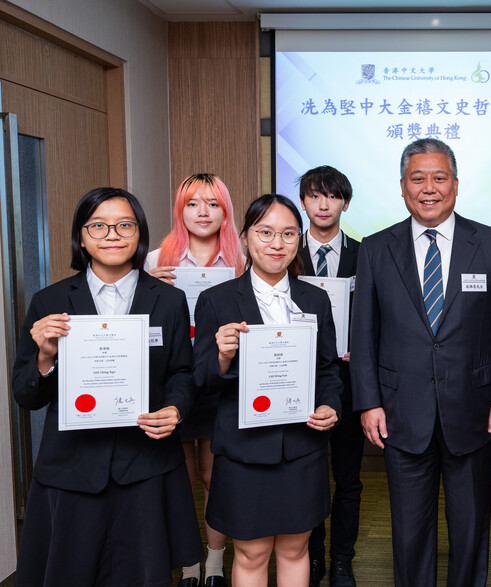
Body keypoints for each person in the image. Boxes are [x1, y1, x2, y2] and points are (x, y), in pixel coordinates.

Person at [350, 138, 491, 587]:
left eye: (439, 177)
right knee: (409, 533)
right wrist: (368, 403)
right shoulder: (375, 248)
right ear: (403, 187)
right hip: (400, 413)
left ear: (456, 184)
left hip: (475, 410)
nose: (429, 188)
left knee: (470, 532)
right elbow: (363, 335)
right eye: (418, 178)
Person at [12, 187, 203, 585]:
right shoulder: (49, 301)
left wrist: (176, 409)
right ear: (81, 237)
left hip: (146, 467)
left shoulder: (168, 300)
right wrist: (45, 357)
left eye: (124, 225)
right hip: (72, 470)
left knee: (146, 575)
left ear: (139, 234)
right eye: (98, 225)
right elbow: (26, 394)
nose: (112, 234)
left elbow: (182, 373)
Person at [192, 194, 343, 586]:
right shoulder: (216, 301)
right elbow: (201, 380)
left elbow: (328, 368)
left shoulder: (316, 299)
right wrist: (223, 357)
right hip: (244, 451)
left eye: (288, 233)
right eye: (266, 232)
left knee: (296, 548)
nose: (277, 243)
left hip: (302, 447)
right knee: (251, 551)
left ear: (299, 239)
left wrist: (330, 405)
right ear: (245, 237)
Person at [145, 173, 245, 587]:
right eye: (192, 203)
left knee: (215, 476)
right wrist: (147, 290)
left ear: (225, 211)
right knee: (181, 476)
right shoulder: (153, 260)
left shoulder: (242, 260)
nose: (202, 212)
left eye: (213, 203)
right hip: (174, 378)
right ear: (180, 210)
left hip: (220, 378)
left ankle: (216, 565)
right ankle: (189, 565)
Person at [297, 166, 362, 587]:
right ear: (303, 201)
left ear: (345, 203)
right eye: (315, 196)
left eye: (332, 197)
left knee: (349, 476)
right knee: (308, 472)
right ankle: (312, 555)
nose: (323, 204)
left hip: (353, 380)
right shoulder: (285, 250)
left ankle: (342, 560)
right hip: (299, 379)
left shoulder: (367, 252)